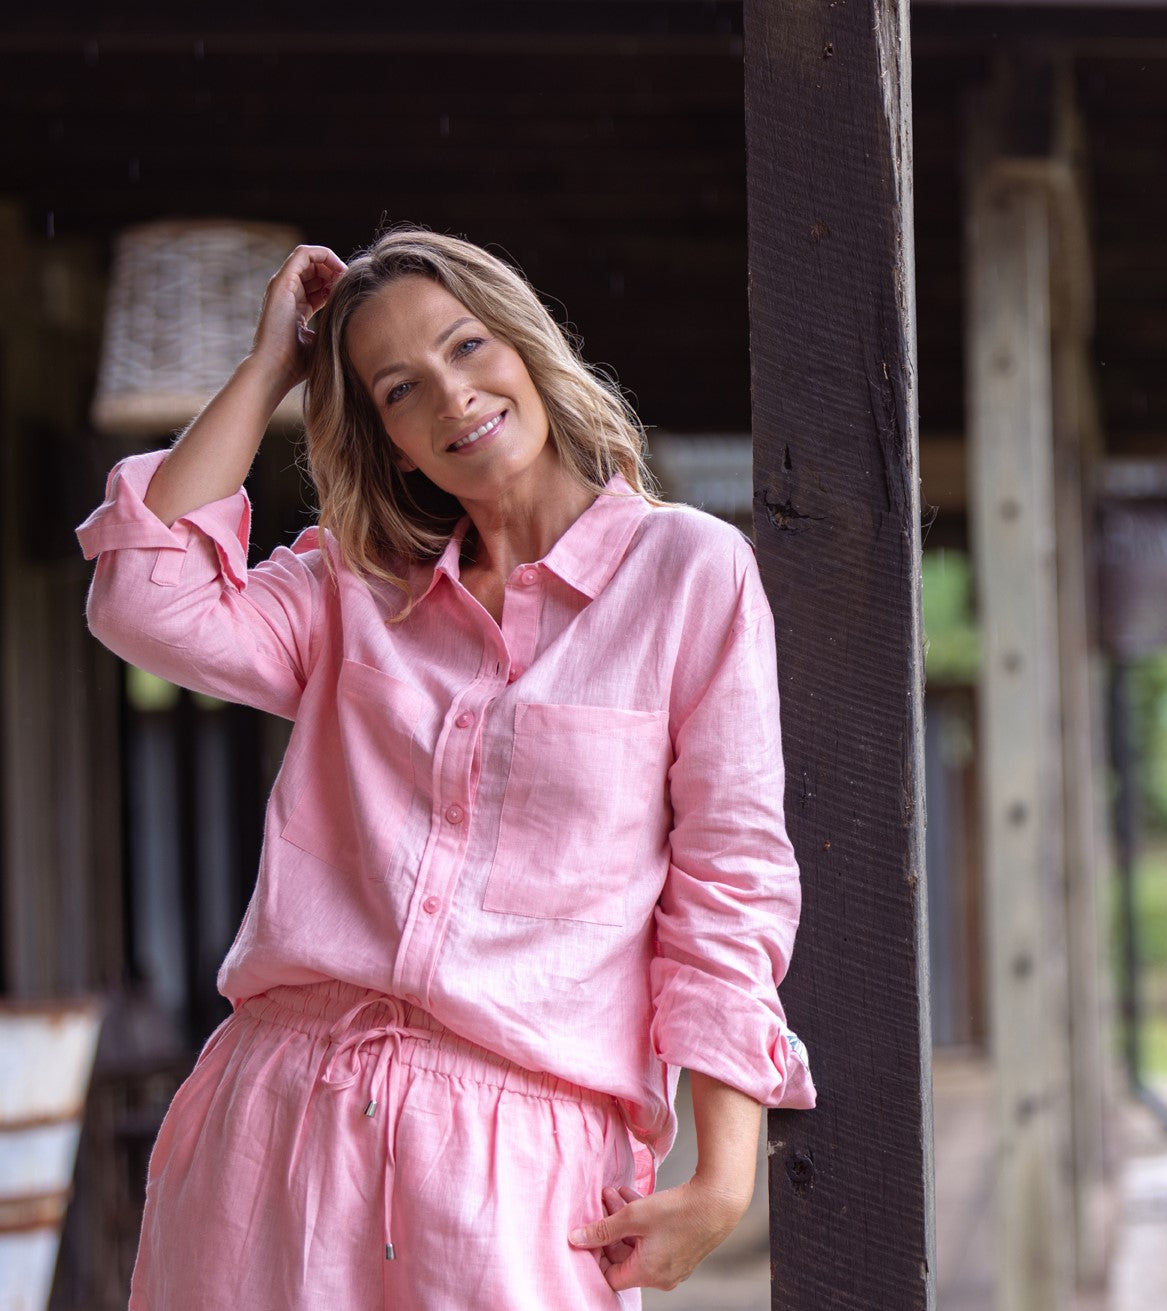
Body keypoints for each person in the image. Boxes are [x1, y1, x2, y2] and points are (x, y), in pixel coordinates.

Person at [77, 229, 816, 1311]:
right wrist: (272, 368)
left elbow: (728, 879)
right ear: (391, 442)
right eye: (401, 389)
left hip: (517, 1167)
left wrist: (722, 1168)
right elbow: (142, 599)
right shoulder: (350, 589)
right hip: (278, 1128)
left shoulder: (689, 575)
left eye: (470, 347)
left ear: (525, 346)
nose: (455, 397)